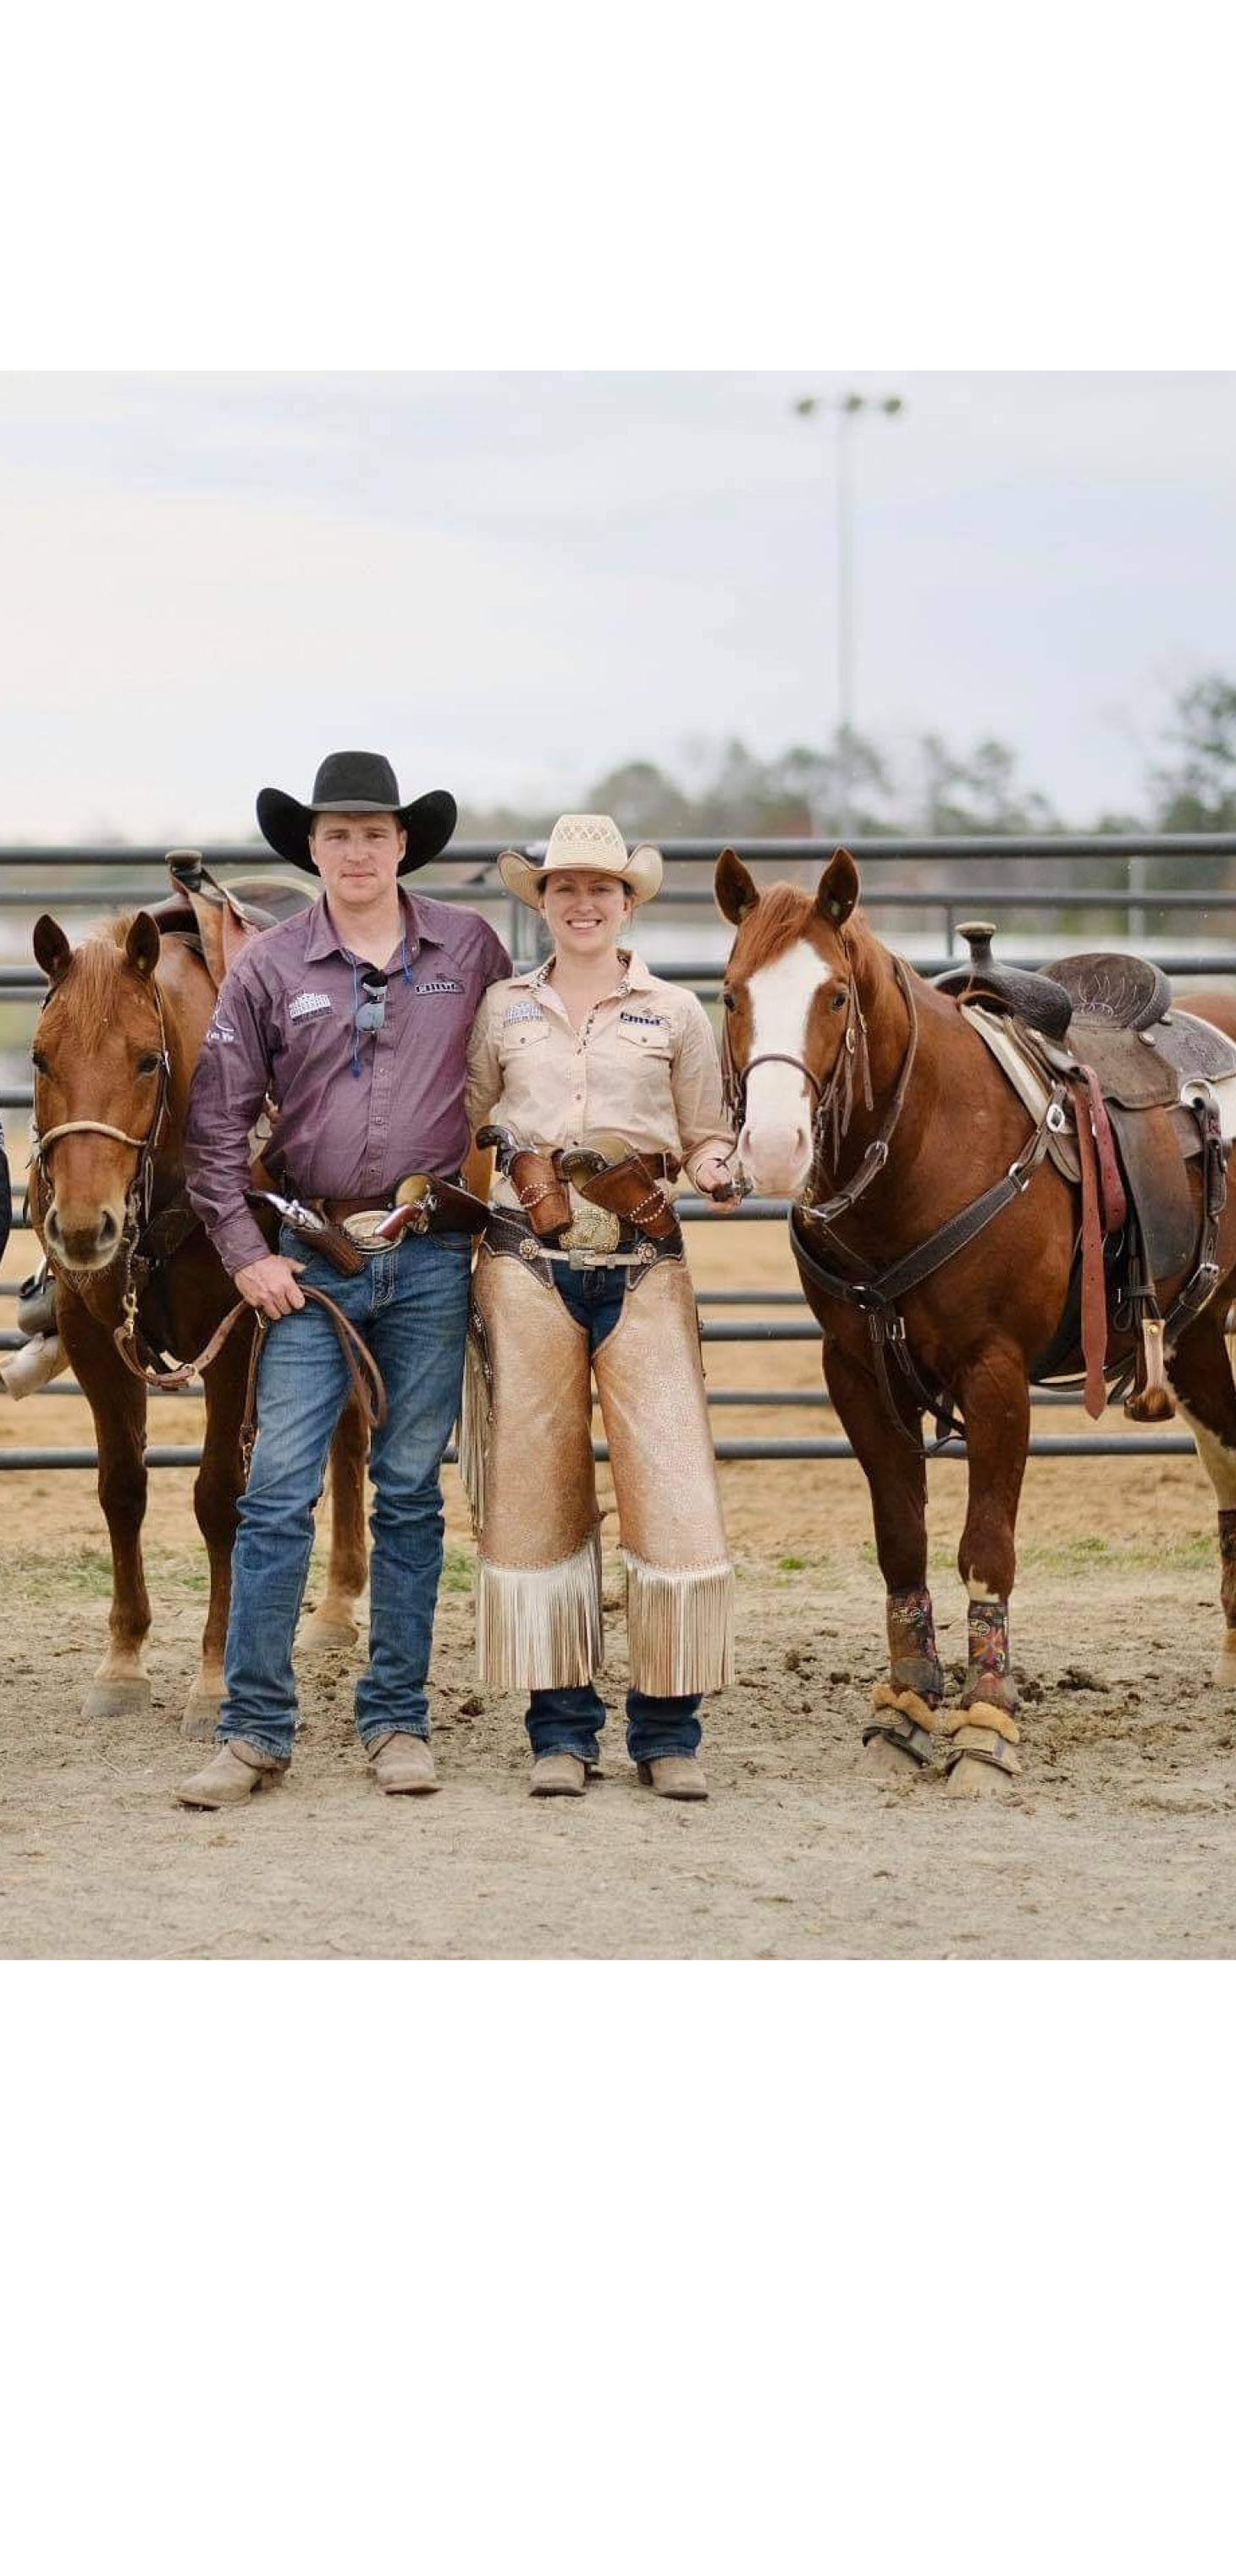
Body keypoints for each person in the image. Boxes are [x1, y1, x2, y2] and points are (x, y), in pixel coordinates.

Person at [178, 750, 511, 1806]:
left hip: (428, 1258)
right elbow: (214, 1130)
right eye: (337, 834)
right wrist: (247, 1257)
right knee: (278, 1492)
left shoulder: (472, 949)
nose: (357, 850)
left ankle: (398, 1721)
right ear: (311, 849)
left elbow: (523, 1079)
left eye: (375, 832)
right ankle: (256, 1729)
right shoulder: (268, 967)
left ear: (404, 842)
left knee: (408, 1495)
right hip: (313, 1268)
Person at [464, 812, 738, 1800]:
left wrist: (714, 1164)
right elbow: (470, 1122)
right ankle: (560, 1732)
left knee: (671, 1489)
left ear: (628, 902)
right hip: (524, 1259)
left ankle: (669, 1732)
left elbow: (706, 1129)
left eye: (601, 889)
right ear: (544, 904)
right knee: (536, 1492)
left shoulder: (676, 1014)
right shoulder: (502, 1010)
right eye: (564, 889)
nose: (583, 904)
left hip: (645, 1258)